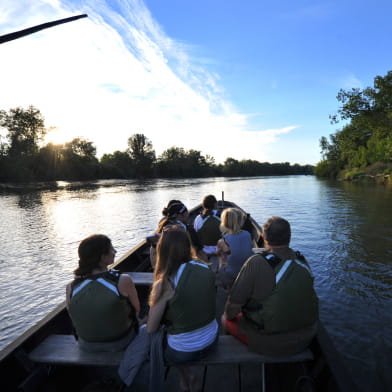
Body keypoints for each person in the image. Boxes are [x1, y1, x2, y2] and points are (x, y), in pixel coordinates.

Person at [222, 216, 319, 356]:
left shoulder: (256, 262)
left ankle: (236, 364)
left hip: (270, 343)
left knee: (225, 318)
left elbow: (232, 308)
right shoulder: (302, 262)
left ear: (263, 237)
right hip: (306, 337)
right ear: (289, 237)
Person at [147, 229, 218, 392]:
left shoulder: (165, 283)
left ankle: (186, 376)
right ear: (188, 245)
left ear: (161, 250)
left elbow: (151, 328)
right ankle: (188, 377)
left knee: (151, 336)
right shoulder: (205, 267)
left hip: (182, 351)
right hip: (211, 341)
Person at [66, 234, 140, 352]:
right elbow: (137, 311)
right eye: (111, 249)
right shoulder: (122, 280)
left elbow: (72, 315)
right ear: (102, 256)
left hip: (85, 345)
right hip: (119, 342)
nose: (115, 251)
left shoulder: (71, 286)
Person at [149, 200, 206, 267]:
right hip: (183, 268)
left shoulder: (162, 228)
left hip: (165, 268)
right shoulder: (189, 231)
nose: (188, 215)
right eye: (187, 213)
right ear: (181, 215)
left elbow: (154, 251)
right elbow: (200, 253)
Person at [216, 207, 254, 290]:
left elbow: (217, 254)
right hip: (246, 270)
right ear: (241, 222)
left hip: (231, 273)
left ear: (224, 223)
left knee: (220, 259)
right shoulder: (247, 234)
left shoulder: (223, 240)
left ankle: (228, 288)